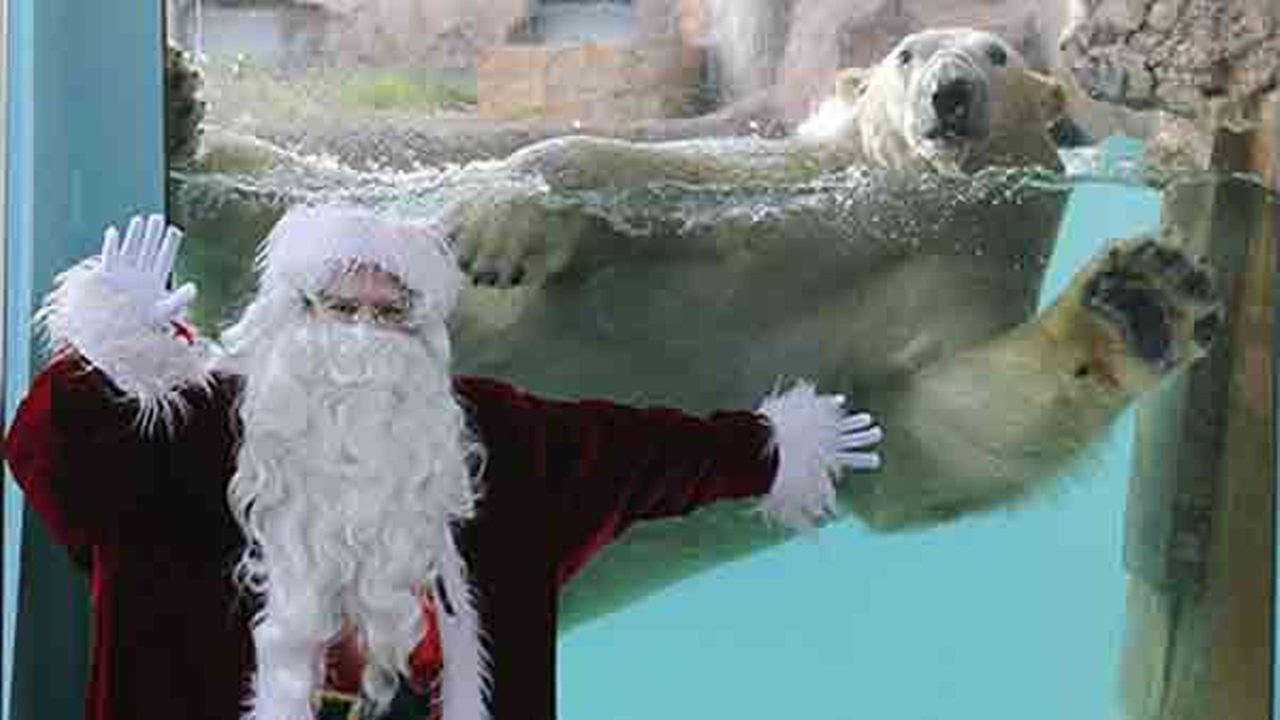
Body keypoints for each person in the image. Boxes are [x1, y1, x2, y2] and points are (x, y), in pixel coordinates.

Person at [4, 207, 884, 720]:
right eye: (337, 307)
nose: (362, 335)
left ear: (425, 336)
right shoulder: (194, 433)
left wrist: (771, 448)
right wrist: (113, 345)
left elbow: (642, 455)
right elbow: (51, 452)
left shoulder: (494, 444)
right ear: (287, 316)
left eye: (390, 315)